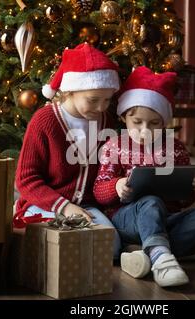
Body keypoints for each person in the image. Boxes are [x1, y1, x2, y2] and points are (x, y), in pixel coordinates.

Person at [93, 66, 195, 287]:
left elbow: (182, 200)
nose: (144, 130)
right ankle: (161, 257)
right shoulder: (115, 145)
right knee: (150, 201)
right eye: (137, 122)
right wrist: (116, 185)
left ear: (165, 122)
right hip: (126, 219)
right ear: (123, 117)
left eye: (154, 123)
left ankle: (146, 254)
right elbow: (99, 191)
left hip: (165, 219)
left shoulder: (175, 148)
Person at [14, 43, 122, 259]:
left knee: (111, 246)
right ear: (70, 91)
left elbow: (108, 171)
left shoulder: (106, 121)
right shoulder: (44, 121)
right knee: (62, 244)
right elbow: (26, 179)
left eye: (107, 100)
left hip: (86, 208)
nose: (101, 107)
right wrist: (64, 207)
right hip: (45, 203)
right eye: (93, 100)